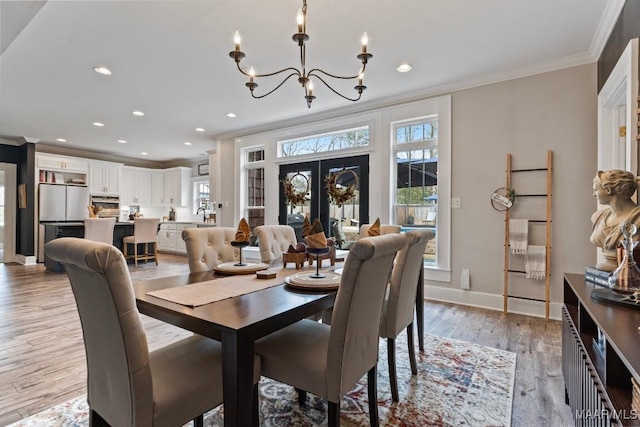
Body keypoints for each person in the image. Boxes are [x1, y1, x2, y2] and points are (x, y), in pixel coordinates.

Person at [590, 169, 640, 271]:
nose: (594, 195)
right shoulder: (598, 217)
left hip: (628, 272)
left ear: (608, 190)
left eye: (596, 190)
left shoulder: (637, 218)